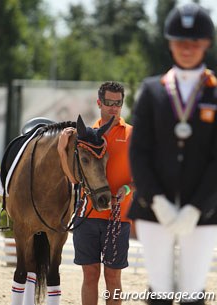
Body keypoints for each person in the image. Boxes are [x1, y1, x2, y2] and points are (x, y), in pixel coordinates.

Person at [128, 3, 217, 305]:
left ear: (206, 43)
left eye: (194, 42)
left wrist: (197, 205)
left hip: (204, 210)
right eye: (180, 42)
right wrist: (156, 199)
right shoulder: (152, 91)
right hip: (156, 208)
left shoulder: (214, 93)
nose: (187, 49)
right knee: (160, 288)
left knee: (193, 288)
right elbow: (138, 151)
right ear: (170, 44)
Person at [58, 81, 133, 305]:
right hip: (87, 215)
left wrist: (128, 189)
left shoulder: (132, 135)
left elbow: (145, 176)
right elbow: (73, 180)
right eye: (108, 102)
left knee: (113, 277)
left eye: (117, 103)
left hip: (118, 218)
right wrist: (62, 150)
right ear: (99, 102)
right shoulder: (86, 134)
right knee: (90, 275)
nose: (113, 107)